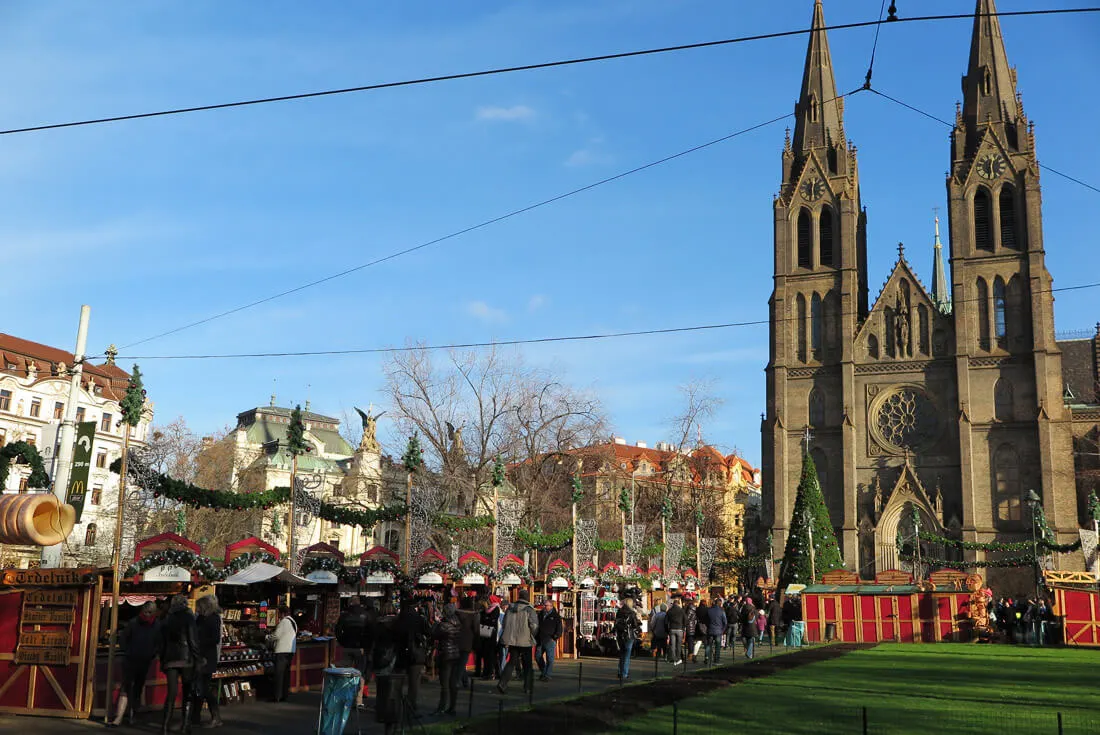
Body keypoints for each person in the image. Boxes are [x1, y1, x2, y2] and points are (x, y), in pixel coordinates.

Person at [109, 602, 161, 728]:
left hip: (144, 660)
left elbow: (158, 642)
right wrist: (128, 651)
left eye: (150, 612)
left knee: (137, 688)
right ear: (142, 610)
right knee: (126, 687)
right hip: (131, 659)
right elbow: (123, 639)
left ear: (154, 613)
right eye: (146, 611)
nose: (147, 614)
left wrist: (152, 654)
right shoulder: (134, 623)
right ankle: (119, 717)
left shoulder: (156, 625)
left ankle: (132, 716)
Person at [159, 594, 201, 735]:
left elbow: (162, 643)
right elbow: (193, 640)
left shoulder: (167, 619)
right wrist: (197, 658)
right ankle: (185, 726)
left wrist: (163, 660)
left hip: (170, 660)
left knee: (171, 694)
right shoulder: (189, 618)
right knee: (187, 692)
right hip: (186, 658)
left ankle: (164, 727)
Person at [497, 591, 538, 694]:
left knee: (511, 662)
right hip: (525, 640)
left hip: (512, 640)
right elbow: (534, 625)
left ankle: (502, 683)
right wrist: (532, 635)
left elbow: (504, 623)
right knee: (527, 665)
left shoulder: (510, 608)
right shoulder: (529, 609)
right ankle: (528, 687)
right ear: (528, 598)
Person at [395, 596, 432, 713]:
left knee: (398, 680)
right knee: (414, 682)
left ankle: (397, 702)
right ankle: (411, 704)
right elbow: (429, 632)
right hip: (416, 653)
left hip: (401, 653)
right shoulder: (419, 619)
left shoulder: (399, 619)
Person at [192, 595, 223, 729]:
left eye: (198, 606)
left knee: (203, 688)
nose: (196, 609)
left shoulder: (213, 619)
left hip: (207, 657)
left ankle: (216, 717)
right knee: (198, 688)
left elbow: (215, 639)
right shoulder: (200, 618)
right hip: (199, 656)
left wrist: (199, 642)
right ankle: (195, 717)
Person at [371, 601, 402, 734]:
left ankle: (381, 711)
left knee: (381, 687)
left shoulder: (377, 624)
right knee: (393, 690)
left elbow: (372, 641)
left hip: (379, 656)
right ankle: (391, 714)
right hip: (393, 656)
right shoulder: (397, 624)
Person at [335, 597, 370, 706]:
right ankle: (358, 701)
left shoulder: (344, 615)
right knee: (360, 673)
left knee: (345, 672)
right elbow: (370, 631)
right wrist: (365, 645)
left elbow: (338, 630)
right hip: (361, 647)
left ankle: (345, 698)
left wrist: (342, 642)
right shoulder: (365, 615)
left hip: (347, 646)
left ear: (350, 603)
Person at [432, 603, 461, 715]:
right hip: (455, 653)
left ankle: (442, 707)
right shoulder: (458, 623)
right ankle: (452, 707)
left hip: (446, 654)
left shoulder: (443, 625)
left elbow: (433, 634)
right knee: (453, 682)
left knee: (444, 683)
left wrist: (436, 622)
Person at [268, 605, 298, 703]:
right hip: (290, 651)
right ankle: (285, 695)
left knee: (279, 674)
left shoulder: (284, 621)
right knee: (286, 674)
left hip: (282, 651)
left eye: (279, 614)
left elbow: (276, 635)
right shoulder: (293, 622)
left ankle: (277, 696)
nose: (278, 616)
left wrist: (267, 637)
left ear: (282, 613)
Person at [613, 597, 642, 681]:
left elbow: (616, 623)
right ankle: (624, 673)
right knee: (627, 654)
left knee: (622, 654)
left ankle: (620, 671)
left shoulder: (619, 612)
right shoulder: (632, 613)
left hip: (620, 635)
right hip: (629, 636)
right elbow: (635, 625)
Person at [455, 595, 480, 688]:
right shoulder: (472, 615)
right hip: (467, 640)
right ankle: (457, 681)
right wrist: (477, 641)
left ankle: (465, 680)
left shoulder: (456, 613)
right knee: (462, 661)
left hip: (456, 638)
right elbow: (476, 629)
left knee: (460, 661)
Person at [535, 599, 563, 681]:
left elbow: (559, 629)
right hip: (540, 639)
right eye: (544, 605)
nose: (544, 607)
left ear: (551, 606)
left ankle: (547, 675)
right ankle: (544, 672)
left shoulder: (556, 616)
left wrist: (555, 637)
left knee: (550, 658)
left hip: (550, 640)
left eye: (546, 605)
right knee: (537, 656)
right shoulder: (540, 614)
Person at [477, 597, 500, 680]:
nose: (488, 601)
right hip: (485, 635)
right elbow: (483, 620)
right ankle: (486, 672)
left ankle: (491, 673)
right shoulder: (486, 610)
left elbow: (492, 620)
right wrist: (487, 620)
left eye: (489, 600)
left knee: (491, 655)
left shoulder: (496, 609)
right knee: (486, 655)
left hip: (492, 635)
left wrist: (487, 620)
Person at [704, 596, 727, 665]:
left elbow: (706, 620)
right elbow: (725, 622)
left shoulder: (709, 610)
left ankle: (707, 658)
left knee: (708, 645)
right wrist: (722, 630)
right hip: (718, 631)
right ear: (720, 604)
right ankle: (716, 660)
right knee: (717, 646)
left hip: (710, 629)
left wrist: (708, 626)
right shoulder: (722, 611)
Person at [665, 597, 685, 665]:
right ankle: (678, 659)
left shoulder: (669, 611)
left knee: (672, 645)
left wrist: (667, 630)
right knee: (679, 645)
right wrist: (683, 627)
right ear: (678, 604)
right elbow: (686, 620)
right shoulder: (681, 610)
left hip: (672, 629)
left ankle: (673, 659)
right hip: (679, 629)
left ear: (673, 604)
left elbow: (665, 622)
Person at [683, 598, 698, 663]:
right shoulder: (692, 608)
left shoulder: (689, 608)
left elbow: (687, 618)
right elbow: (688, 618)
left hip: (689, 626)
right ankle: (690, 654)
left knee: (689, 641)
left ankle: (690, 654)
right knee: (690, 641)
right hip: (691, 626)